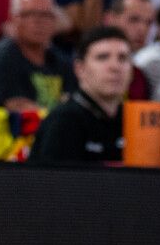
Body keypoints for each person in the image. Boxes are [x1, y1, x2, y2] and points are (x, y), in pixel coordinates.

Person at [26, 28, 141, 165]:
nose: (115, 66)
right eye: (102, 57)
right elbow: (54, 184)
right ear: (80, 69)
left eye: (123, 58)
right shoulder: (64, 121)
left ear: (132, 70)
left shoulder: (135, 120)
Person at [0, 0, 74, 114]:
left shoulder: (60, 61)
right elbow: (17, 108)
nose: (38, 22)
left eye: (45, 15)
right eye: (29, 14)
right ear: (14, 19)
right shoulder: (4, 56)